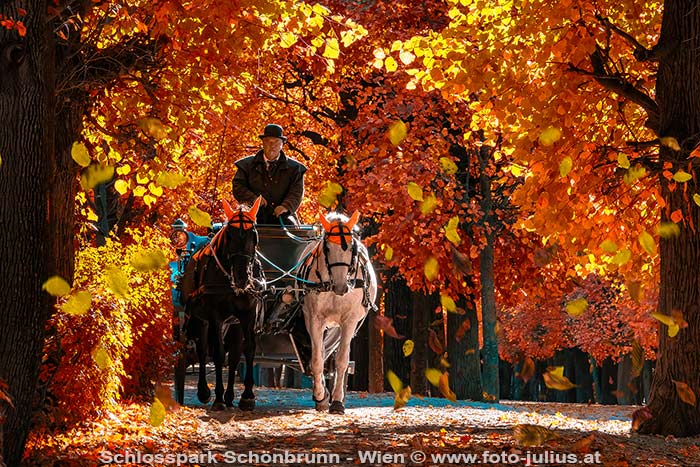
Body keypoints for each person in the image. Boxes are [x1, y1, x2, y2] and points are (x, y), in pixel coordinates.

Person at [232, 124, 307, 225]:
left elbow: (296, 192)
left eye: (276, 142)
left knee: (292, 237)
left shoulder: (296, 169)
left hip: (284, 217)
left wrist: (285, 206)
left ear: (282, 144)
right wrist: (254, 199)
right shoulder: (246, 165)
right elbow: (238, 187)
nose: (272, 145)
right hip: (251, 216)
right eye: (268, 141)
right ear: (263, 143)